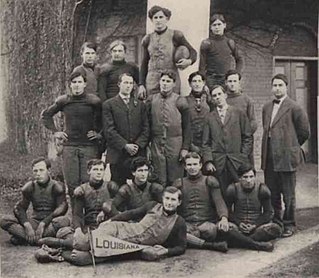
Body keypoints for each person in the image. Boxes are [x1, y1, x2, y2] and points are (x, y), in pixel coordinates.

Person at [39, 186, 187, 265]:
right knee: (83, 243)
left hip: (129, 245)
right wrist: (111, 220)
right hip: (118, 229)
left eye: (173, 200)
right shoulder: (153, 205)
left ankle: (57, 252)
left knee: (82, 259)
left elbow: (181, 247)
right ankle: (57, 244)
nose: (169, 202)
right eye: (167, 198)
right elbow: (130, 214)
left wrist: (166, 251)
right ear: (162, 198)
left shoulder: (179, 222)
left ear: (179, 202)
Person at [41, 72, 102, 209]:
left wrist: (99, 134)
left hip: (89, 147)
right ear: (70, 84)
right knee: (72, 183)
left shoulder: (94, 101)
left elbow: (105, 119)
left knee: (88, 182)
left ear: (85, 84)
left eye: (79, 82)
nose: (77, 85)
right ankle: (76, 216)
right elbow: (46, 115)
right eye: (74, 82)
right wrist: (56, 132)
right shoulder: (64, 100)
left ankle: (91, 214)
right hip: (69, 147)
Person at [261, 74, 310, 237]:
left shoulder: (295, 107)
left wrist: (291, 146)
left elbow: (304, 132)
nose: (277, 88)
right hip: (270, 158)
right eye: (274, 85)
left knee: (288, 194)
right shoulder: (266, 107)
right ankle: (277, 222)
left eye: (280, 85)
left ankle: (289, 223)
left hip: (286, 158)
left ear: (286, 87)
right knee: (272, 192)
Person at [38, 159, 119, 249]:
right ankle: (62, 242)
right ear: (89, 171)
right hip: (89, 227)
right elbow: (77, 214)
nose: (99, 173)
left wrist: (105, 209)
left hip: (107, 227)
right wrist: (78, 230)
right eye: (95, 169)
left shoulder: (110, 186)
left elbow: (119, 204)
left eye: (101, 170)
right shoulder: (82, 190)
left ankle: (60, 243)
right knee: (64, 232)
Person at [0, 158, 69, 245]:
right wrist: (27, 225)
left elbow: (61, 209)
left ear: (49, 171)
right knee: (3, 220)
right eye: (35, 171)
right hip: (34, 222)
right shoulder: (30, 187)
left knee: (64, 221)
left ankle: (25, 238)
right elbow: (19, 207)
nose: (38, 174)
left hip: (51, 223)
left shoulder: (57, 186)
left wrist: (43, 223)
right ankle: (41, 240)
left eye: (41, 170)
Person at [173, 152, 229, 252]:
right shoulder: (179, 183)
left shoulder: (210, 180)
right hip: (188, 225)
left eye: (195, 164)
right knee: (179, 232)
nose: (192, 167)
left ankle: (194, 242)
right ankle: (209, 245)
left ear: (200, 165)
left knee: (214, 230)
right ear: (185, 167)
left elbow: (219, 202)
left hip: (207, 224)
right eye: (189, 164)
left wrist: (223, 218)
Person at [202, 85, 252, 196]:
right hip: (218, 162)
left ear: (225, 95)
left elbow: (247, 137)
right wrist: (209, 161)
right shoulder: (209, 117)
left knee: (239, 191)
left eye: (219, 94)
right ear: (212, 99)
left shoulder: (238, 113)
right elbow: (206, 143)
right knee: (222, 192)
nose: (217, 97)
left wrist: (242, 156)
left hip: (236, 161)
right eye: (214, 96)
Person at [138, 5, 197, 98]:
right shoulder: (147, 39)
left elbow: (193, 52)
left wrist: (188, 61)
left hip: (171, 78)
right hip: (152, 80)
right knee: (152, 106)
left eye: (161, 17)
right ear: (152, 20)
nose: (158, 20)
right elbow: (144, 63)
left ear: (167, 18)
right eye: (155, 18)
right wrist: (141, 84)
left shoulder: (176, 35)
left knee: (172, 106)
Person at [102, 73, 149, 186]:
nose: (128, 86)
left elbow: (146, 129)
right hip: (118, 154)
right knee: (117, 187)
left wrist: (137, 145)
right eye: (125, 83)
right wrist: (125, 145)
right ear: (119, 84)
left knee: (139, 186)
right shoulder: (109, 104)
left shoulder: (140, 105)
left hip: (137, 154)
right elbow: (109, 130)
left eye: (131, 83)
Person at [147, 70, 191, 186]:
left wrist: (185, 148)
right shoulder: (151, 100)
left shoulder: (180, 100)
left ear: (174, 84)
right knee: (158, 178)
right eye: (163, 81)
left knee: (175, 178)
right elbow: (146, 125)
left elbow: (187, 127)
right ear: (159, 82)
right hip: (156, 143)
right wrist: (147, 146)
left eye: (168, 81)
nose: (165, 84)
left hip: (175, 143)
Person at [225, 163, 282, 251]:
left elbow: (269, 212)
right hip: (238, 226)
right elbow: (227, 211)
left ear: (255, 177)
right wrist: (239, 223)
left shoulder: (262, 189)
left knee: (275, 229)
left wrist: (255, 225)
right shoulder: (232, 189)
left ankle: (239, 241)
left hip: (256, 228)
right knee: (223, 228)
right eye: (245, 177)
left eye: (251, 177)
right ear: (239, 178)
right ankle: (256, 244)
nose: (248, 180)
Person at [199, 14, 243, 89]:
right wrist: (203, 82)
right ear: (211, 27)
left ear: (224, 25)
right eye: (214, 25)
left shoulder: (229, 42)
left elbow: (239, 59)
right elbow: (202, 66)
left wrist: (236, 74)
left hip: (225, 79)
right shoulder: (206, 43)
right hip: (211, 79)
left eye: (219, 24)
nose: (217, 27)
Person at [225, 69, 257, 165]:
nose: (232, 84)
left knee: (245, 166)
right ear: (226, 82)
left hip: (243, 141)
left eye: (235, 81)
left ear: (239, 83)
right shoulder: (223, 99)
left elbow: (253, 122)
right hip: (227, 141)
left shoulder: (247, 100)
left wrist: (244, 135)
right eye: (230, 81)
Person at [185, 72, 210, 153]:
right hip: (190, 141)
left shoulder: (210, 101)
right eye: (194, 81)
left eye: (199, 81)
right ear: (190, 84)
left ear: (203, 83)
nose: (197, 84)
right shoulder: (184, 101)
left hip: (207, 142)